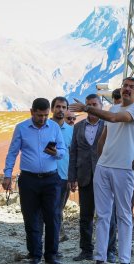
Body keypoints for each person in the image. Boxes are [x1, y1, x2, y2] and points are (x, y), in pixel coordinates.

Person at [69, 77, 134, 264]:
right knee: (102, 215)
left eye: (131, 87)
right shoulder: (112, 108)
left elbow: (113, 120)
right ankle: (99, 258)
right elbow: (104, 137)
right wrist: (102, 158)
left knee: (123, 215)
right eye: (125, 86)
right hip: (104, 167)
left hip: (123, 168)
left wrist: (87, 109)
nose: (127, 89)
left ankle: (124, 261)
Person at [2, 98, 66, 264]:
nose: (43, 119)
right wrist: (7, 175)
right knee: (31, 218)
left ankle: (51, 255)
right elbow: (12, 153)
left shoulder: (54, 127)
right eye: (39, 115)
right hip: (29, 180)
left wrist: (56, 153)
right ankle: (34, 255)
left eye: (46, 115)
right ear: (32, 112)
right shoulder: (21, 128)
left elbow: (63, 150)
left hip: (51, 179)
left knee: (52, 217)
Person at [69, 94, 117, 263]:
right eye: (88, 105)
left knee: (108, 215)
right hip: (84, 176)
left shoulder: (110, 125)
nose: (91, 108)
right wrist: (72, 177)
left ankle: (110, 250)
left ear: (101, 105)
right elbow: (73, 152)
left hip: (105, 176)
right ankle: (86, 249)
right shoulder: (78, 127)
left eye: (94, 104)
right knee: (85, 215)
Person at [50, 97, 74, 245]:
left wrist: (73, 177)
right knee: (47, 210)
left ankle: (56, 238)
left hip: (63, 176)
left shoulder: (71, 131)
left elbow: (74, 154)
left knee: (58, 209)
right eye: (58, 107)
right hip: (45, 174)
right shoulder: (44, 127)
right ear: (52, 109)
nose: (60, 110)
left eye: (63, 107)